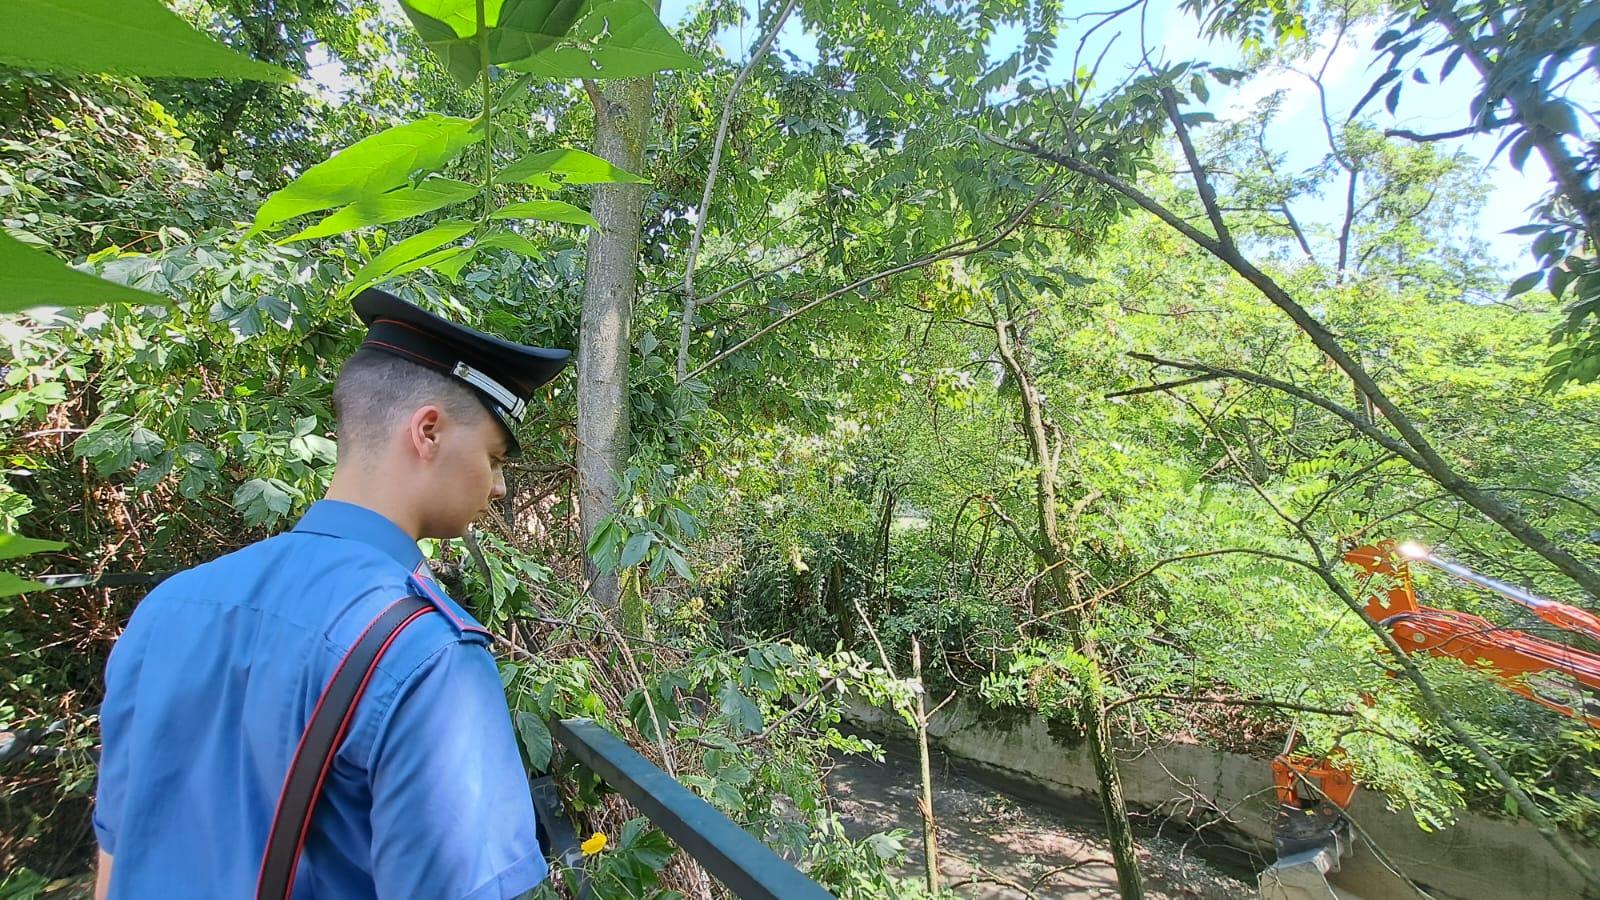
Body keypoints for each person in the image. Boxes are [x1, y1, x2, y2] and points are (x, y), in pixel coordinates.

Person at [92, 288, 571, 899]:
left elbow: (116, 854)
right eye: (494, 456)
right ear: (428, 431)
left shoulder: (169, 606)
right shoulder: (424, 652)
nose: (499, 487)